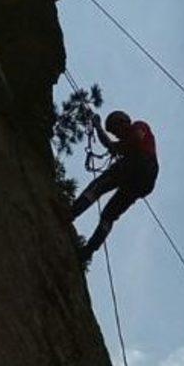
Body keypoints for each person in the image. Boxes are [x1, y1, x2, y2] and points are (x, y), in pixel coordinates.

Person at [71, 110, 159, 267]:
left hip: (141, 164)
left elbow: (136, 137)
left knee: (99, 186)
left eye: (115, 129)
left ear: (123, 121)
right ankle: (87, 252)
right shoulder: (126, 141)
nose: (116, 134)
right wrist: (97, 126)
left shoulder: (138, 125)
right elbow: (110, 145)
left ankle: (71, 212)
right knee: (109, 215)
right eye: (113, 131)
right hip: (144, 179)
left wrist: (121, 148)